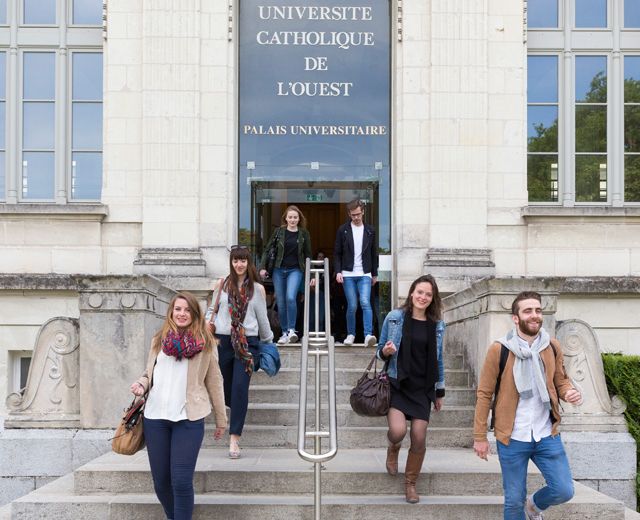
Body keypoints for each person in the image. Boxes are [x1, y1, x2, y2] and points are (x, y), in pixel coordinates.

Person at [473, 291, 583, 520]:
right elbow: (484, 394)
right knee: (513, 502)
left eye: (538, 310)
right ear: (516, 318)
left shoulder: (551, 346)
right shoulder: (499, 349)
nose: (534, 315)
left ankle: (533, 506)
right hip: (512, 436)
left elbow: (560, 379)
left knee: (563, 490)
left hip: (546, 434)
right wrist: (480, 436)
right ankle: (524, 508)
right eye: (528, 311)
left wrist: (568, 391)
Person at [130, 292, 227, 520]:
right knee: (161, 482)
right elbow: (149, 374)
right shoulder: (159, 340)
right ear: (171, 312)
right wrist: (141, 385)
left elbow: (215, 382)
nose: (182, 314)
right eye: (178, 309)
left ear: (195, 314)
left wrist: (221, 419)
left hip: (188, 419)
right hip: (155, 418)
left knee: (181, 481)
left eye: (187, 310)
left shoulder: (206, 345)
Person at [376, 274, 446, 503]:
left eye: (428, 294)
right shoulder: (395, 317)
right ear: (412, 293)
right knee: (398, 432)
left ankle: (410, 484)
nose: (423, 297)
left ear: (432, 298)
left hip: (422, 388)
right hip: (398, 383)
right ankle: (393, 448)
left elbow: (439, 359)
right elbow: (379, 350)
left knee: (418, 437)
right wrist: (385, 352)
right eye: (419, 292)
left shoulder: (437, 325)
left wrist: (439, 391)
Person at [213, 246, 274, 458]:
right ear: (231, 262)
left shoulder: (257, 289)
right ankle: (236, 407)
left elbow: (262, 318)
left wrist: (268, 342)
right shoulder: (222, 285)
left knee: (239, 389)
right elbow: (212, 311)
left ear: (249, 263)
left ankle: (234, 439)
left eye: (243, 261)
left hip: (248, 343)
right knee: (226, 388)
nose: (239, 265)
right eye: (236, 261)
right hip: (223, 341)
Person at [259, 205, 312, 345]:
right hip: (278, 269)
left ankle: (292, 330)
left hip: (296, 269)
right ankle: (284, 333)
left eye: (295, 217)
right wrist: (262, 267)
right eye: (290, 217)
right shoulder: (279, 232)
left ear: (299, 218)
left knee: (290, 297)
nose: (293, 220)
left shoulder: (303, 234)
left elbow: (308, 255)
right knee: (281, 302)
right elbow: (268, 249)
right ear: (286, 218)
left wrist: (311, 276)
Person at [334, 198, 378, 346]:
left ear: (363, 211)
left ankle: (368, 335)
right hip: (348, 273)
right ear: (349, 214)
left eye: (358, 214)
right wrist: (338, 271)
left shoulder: (370, 230)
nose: (356, 217)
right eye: (353, 215)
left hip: (365, 273)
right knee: (352, 305)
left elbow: (374, 253)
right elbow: (337, 253)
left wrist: (374, 273)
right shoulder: (343, 230)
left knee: (365, 302)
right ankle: (351, 334)